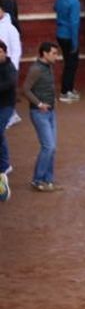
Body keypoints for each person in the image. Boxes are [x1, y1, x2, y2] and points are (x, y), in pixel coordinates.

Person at [20, 41, 61, 192]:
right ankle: (37, 180)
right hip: (39, 113)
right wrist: (39, 104)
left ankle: (48, 180)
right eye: (54, 53)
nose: (56, 57)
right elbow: (25, 89)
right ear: (44, 53)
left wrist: (52, 99)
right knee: (48, 147)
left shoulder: (48, 66)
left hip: (50, 112)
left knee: (52, 148)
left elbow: (46, 86)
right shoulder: (36, 69)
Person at [53, 0, 81, 103]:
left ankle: (68, 89)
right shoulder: (74, 2)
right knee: (71, 64)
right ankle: (65, 91)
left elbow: (55, 8)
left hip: (60, 33)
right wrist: (75, 42)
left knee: (68, 63)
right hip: (69, 36)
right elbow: (74, 23)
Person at [0, 40, 15, 199]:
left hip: (6, 106)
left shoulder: (10, 68)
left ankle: (4, 165)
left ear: (5, 52)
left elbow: (7, 84)